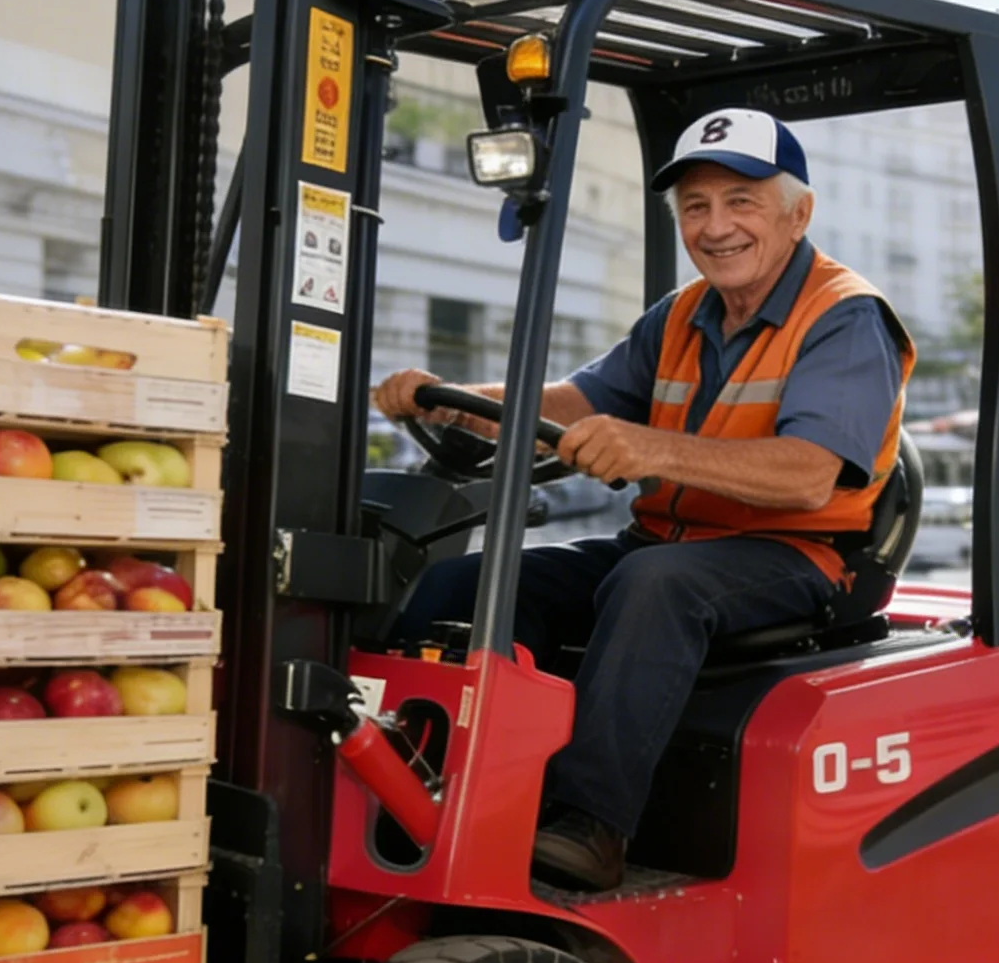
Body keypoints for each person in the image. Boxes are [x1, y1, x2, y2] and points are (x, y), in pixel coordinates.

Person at [374, 107, 913, 892]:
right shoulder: (682, 314)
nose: (715, 226)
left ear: (798, 214)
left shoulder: (845, 316)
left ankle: (592, 823)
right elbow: (577, 402)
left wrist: (654, 447)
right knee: (472, 582)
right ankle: (430, 782)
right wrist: (457, 401)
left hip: (799, 557)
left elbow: (811, 473)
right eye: (696, 206)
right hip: (668, 543)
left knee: (653, 584)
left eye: (741, 201)